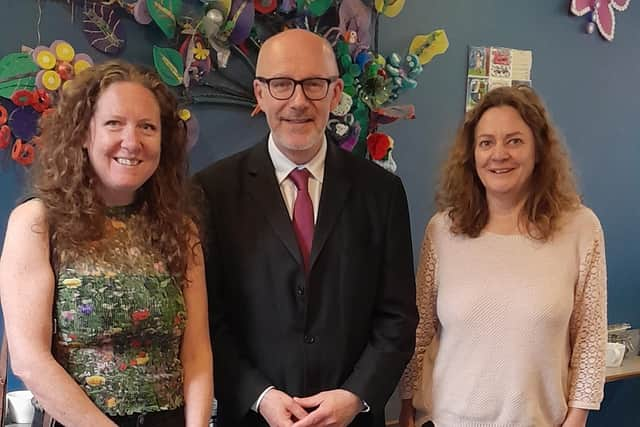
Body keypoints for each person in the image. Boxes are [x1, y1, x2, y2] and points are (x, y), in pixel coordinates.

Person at [194, 29, 418, 427]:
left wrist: (356, 396)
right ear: (260, 94)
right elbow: (208, 319)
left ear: (334, 94)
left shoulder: (381, 192)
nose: (298, 101)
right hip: (252, 418)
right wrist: (259, 397)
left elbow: (397, 317)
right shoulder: (212, 191)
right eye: (281, 85)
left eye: (314, 84)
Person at [0, 60, 213, 427]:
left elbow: (196, 351)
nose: (132, 141)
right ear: (84, 134)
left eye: (147, 127)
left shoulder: (179, 227)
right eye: (114, 123)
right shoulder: (37, 223)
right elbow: (29, 360)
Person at [398, 85, 607, 427]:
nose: (499, 154)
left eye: (514, 140)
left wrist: (577, 418)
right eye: (486, 142)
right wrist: (407, 409)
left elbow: (589, 338)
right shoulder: (443, 230)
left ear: (539, 150)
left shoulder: (581, 228)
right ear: (472, 154)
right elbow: (419, 332)